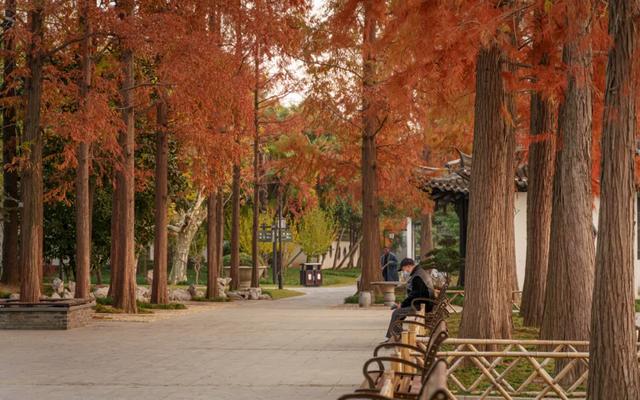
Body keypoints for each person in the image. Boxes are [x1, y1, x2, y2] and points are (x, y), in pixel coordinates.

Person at [385, 258, 434, 339]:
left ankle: (393, 337)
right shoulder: (419, 272)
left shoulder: (417, 276)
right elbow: (415, 294)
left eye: (404, 269)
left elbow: (415, 295)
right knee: (398, 312)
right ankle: (396, 335)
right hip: (424, 303)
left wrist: (403, 304)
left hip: (423, 305)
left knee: (396, 313)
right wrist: (403, 304)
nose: (405, 271)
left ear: (408, 266)